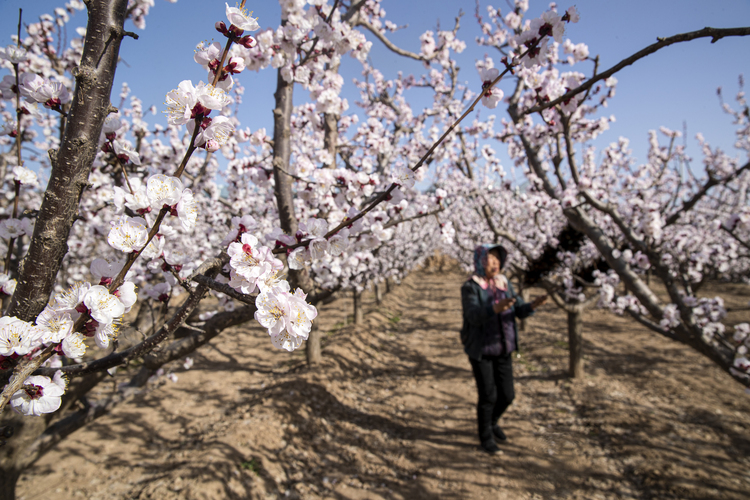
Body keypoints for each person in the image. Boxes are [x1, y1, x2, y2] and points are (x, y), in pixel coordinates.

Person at [460, 244, 547, 454]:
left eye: (497, 259)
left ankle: (492, 422)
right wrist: (494, 308)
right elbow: (473, 315)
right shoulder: (471, 286)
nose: (495, 263)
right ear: (480, 261)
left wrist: (533, 305)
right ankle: (485, 436)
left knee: (507, 395)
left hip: (504, 347)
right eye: (490, 259)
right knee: (488, 395)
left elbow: (518, 309)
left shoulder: (504, 284)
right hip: (482, 349)